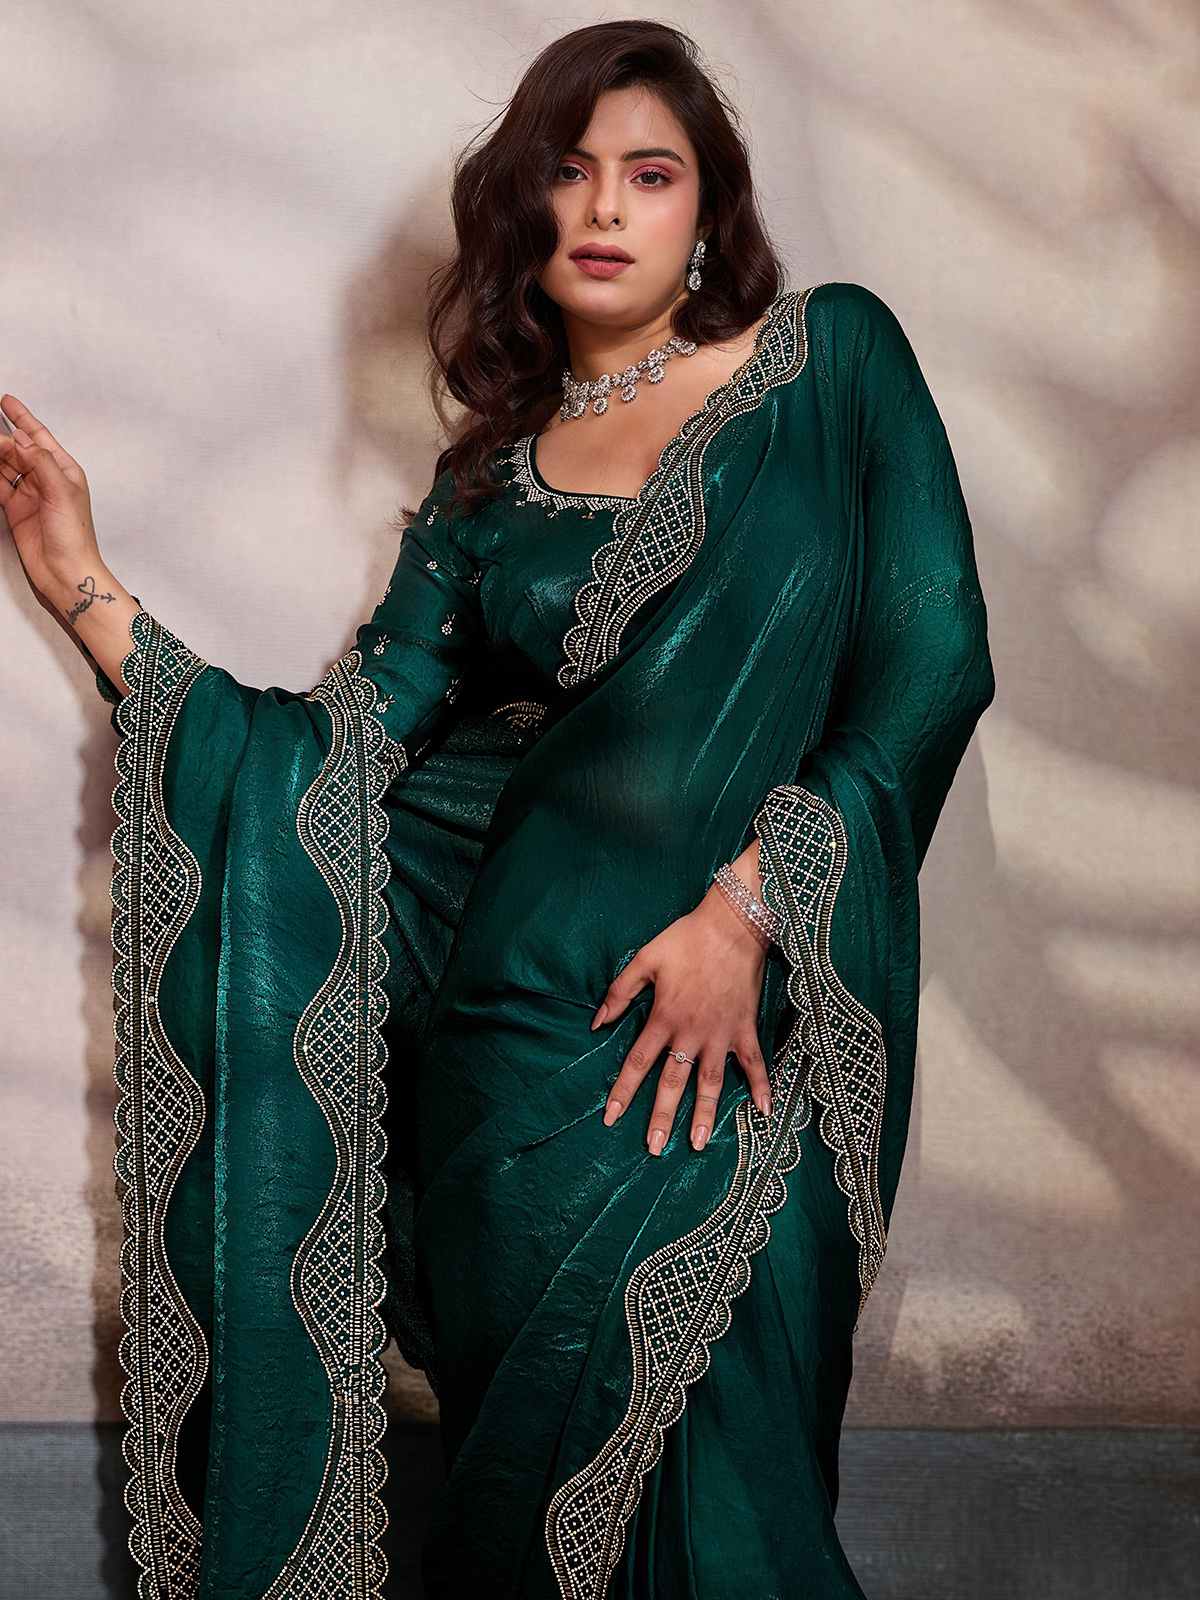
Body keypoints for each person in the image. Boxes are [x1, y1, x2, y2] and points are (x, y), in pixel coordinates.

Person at [1, 20, 994, 1600]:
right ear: (519, 213)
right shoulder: (485, 493)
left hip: (741, 1025)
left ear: (708, 212)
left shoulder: (834, 364)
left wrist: (750, 910)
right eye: (566, 172)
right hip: (516, 1062)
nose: (602, 207)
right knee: (529, 1528)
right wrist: (79, 582)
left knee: (738, 1517)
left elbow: (934, 660)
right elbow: (326, 763)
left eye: (650, 175)